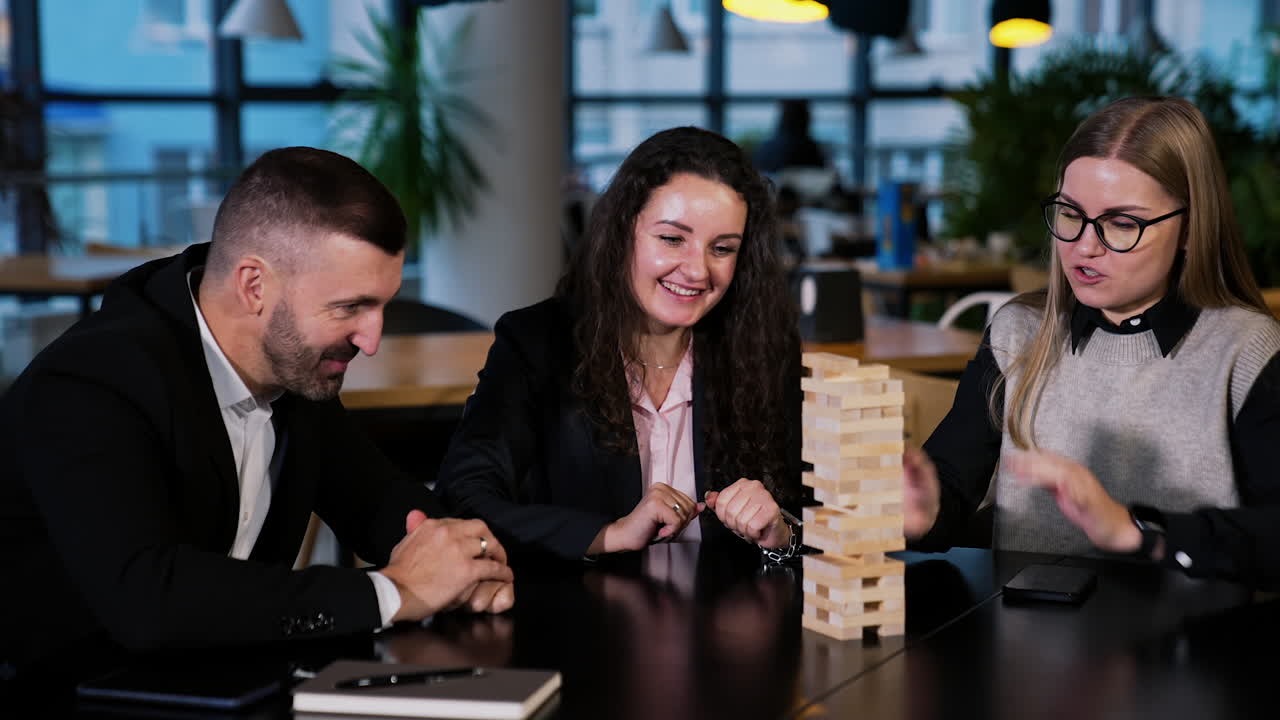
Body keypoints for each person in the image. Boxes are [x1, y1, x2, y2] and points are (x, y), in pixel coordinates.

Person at [0, 147, 514, 676]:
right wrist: (393, 592)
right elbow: (149, 603)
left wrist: (469, 561)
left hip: (228, 684)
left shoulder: (292, 370)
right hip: (73, 690)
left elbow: (385, 506)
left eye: (382, 304)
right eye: (350, 307)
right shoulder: (90, 383)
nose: (373, 337)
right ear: (254, 285)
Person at [904, 97, 1280, 589]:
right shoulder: (1019, 333)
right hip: (1026, 649)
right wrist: (924, 509)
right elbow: (949, 490)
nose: (1084, 245)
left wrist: (1139, 531)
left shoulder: (1244, 349)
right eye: (1070, 214)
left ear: (1190, 228)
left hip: (1185, 651)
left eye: (1122, 223)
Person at [437, 126, 802, 561]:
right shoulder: (537, 343)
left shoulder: (761, 348)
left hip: (724, 620)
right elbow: (463, 496)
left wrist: (781, 535)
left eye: (722, 249)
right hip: (579, 618)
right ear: (623, 230)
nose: (698, 271)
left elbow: (813, 518)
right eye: (672, 239)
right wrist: (609, 534)